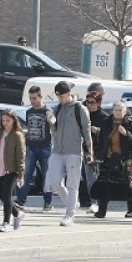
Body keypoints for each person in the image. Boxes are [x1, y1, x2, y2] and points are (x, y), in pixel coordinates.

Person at [48, 81, 93, 227]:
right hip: (57, 150)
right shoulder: (58, 109)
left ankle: (69, 215)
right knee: (54, 181)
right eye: (58, 96)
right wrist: (51, 121)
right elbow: (53, 128)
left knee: (72, 184)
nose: (59, 99)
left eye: (61, 96)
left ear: (69, 94)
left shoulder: (80, 109)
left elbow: (87, 131)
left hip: (74, 151)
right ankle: (71, 203)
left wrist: (90, 152)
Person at [91, 100, 132, 218]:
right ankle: (102, 210)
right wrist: (98, 156)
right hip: (109, 158)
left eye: (121, 110)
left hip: (125, 159)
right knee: (106, 184)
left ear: (125, 111)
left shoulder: (130, 122)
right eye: (116, 110)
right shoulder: (107, 122)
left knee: (129, 185)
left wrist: (126, 133)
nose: (118, 113)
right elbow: (101, 140)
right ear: (112, 111)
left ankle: (131, 210)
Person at [16, 85, 54, 212]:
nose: (32, 101)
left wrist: (51, 120)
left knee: (46, 175)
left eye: (34, 98)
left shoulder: (48, 110)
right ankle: (21, 200)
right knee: (25, 173)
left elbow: (54, 126)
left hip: (45, 146)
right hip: (31, 146)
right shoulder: (29, 112)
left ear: (40, 97)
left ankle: (48, 202)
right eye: (30, 98)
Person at [0, 109, 26, 232]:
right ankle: (17, 214)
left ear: (13, 121)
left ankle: (6, 222)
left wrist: (21, 174)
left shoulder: (17, 135)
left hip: (11, 170)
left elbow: (21, 156)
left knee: (6, 195)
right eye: (3, 120)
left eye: (8, 121)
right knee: (2, 195)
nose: (5, 123)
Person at [81, 87, 108, 214]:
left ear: (98, 103)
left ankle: (97, 202)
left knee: (96, 177)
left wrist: (97, 130)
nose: (89, 105)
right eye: (88, 102)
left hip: (99, 150)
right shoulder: (84, 114)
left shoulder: (104, 117)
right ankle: (92, 201)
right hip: (85, 149)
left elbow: (108, 134)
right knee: (88, 177)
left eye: (92, 102)